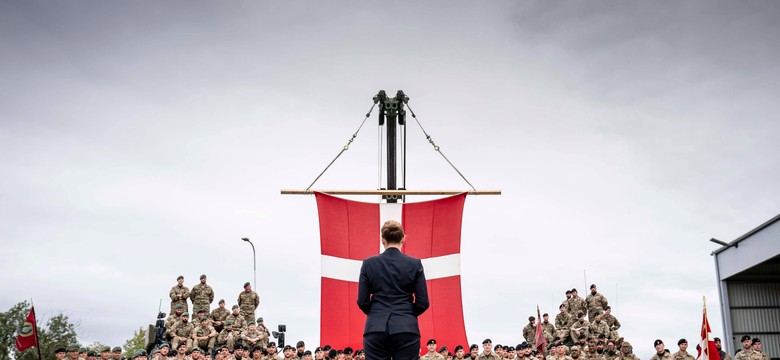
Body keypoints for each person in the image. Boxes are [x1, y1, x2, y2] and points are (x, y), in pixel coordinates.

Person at [356, 220, 430, 360]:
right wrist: (406, 313)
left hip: (375, 328)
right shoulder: (415, 264)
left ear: (382, 239)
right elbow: (423, 302)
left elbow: (362, 301)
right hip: (406, 328)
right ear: (403, 238)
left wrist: (376, 312)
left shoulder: (368, 264)